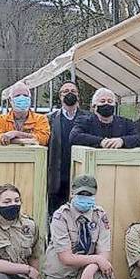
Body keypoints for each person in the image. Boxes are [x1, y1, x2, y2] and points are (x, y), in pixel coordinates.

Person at [45, 174, 113, 279]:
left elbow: (105, 255)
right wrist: (96, 260)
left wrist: (91, 267)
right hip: (62, 276)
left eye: (89, 195)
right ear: (72, 194)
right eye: (81, 194)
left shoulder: (100, 215)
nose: (85, 198)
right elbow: (66, 258)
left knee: (105, 274)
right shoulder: (61, 216)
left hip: (85, 272)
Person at [47, 81, 89, 216]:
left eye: (73, 91)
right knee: (56, 215)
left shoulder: (88, 118)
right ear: (60, 97)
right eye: (65, 91)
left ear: (78, 96)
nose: (69, 94)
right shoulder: (49, 119)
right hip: (57, 177)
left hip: (81, 174)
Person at [70, 88, 139, 149]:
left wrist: (122, 141)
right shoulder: (84, 121)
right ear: (94, 106)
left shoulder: (126, 123)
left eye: (110, 101)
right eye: (102, 101)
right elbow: (74, 136)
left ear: (114, 105)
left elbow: (138, 137)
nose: (106, 104)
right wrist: (101, 141)